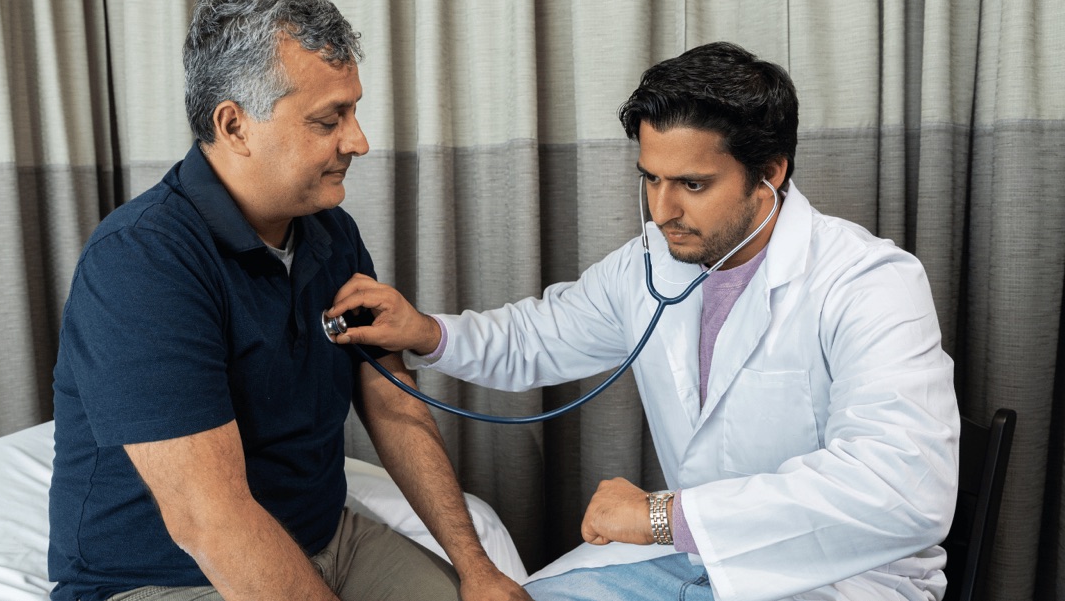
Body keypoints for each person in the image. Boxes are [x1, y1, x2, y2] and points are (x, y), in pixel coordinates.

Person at [327, 42, 960, 601]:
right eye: (651, 179)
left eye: (692, 184)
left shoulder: (868, 283)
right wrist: (428, 333)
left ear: (770, 174)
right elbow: (538, 337)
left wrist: (661, 516)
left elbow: (902, 488)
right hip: (697, 560)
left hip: (843, 577)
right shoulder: (656, 263)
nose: (662, 210)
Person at [48, 0, 529, 601]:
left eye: (353, 113)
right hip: (168, 578)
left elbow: (393, 405)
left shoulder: (332, 234)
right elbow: (210, 521)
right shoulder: (142, 262)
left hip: (327, 540)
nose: (358, 141)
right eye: (329, 120)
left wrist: (476, 568)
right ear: (235, 125)